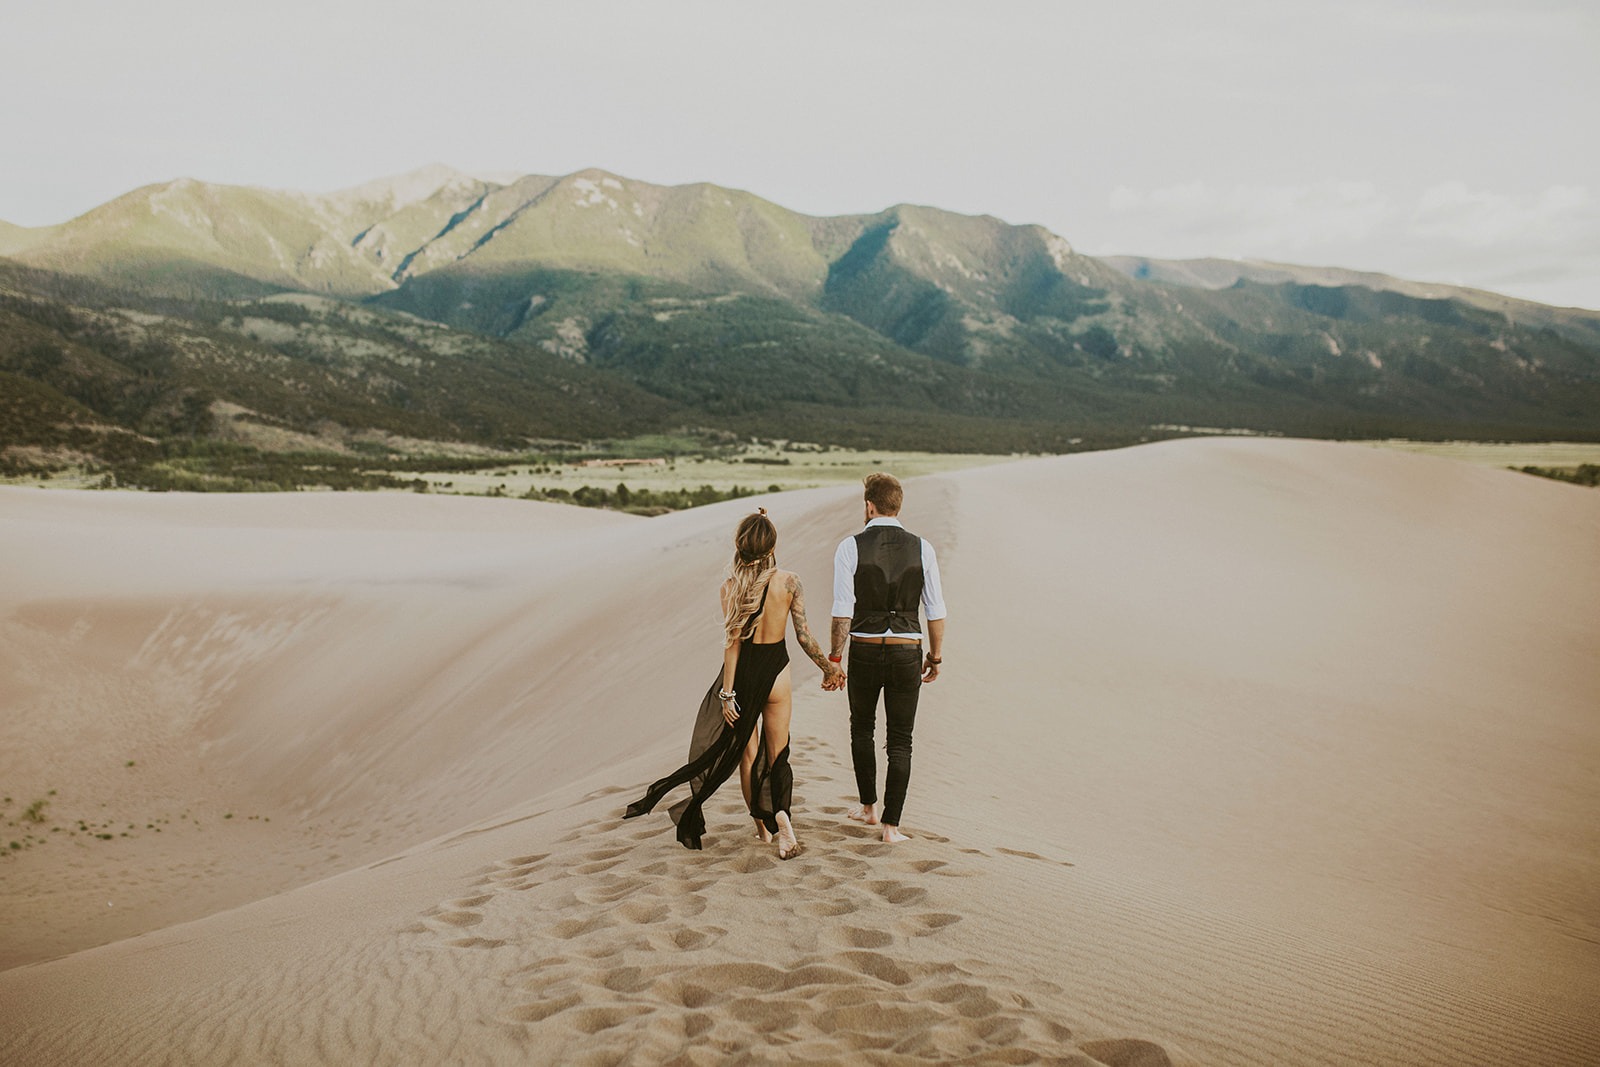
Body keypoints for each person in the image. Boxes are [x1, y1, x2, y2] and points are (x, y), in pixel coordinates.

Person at [626, 508, 845, 858]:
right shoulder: (790, 581)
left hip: (744, 678)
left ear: (739, 547)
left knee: (748, 756)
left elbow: (732, 645)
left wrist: (727, 695)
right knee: (778, 755)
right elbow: (804, 636)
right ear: (773, 545)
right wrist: (828, 668)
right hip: (777, 673)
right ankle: (784, 819)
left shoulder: (730, 588)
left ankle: (762, 829)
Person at [831, 473, 946, 844]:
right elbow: (935, 610)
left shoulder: (850, 546)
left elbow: (841, 611)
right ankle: (891, 828)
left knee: (861, 728)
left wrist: (835, 656)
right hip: (906, 651)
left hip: (864, 648)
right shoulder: (922, 547)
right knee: (900, 740)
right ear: (898, 505)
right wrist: (936, 656)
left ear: (869, 505)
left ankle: (868, 808)